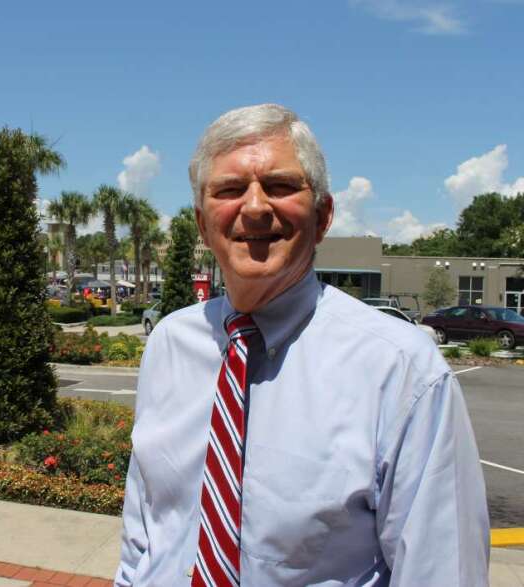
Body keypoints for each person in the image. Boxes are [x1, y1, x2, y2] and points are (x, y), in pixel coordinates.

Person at [115, 104, 489, 586]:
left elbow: (442, 572)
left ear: (324, 215)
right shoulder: (169, 345)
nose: (253, 207)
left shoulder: (400, 371)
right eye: (229, 190)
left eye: (281, 186)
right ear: (203, 224)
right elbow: (144, 533)